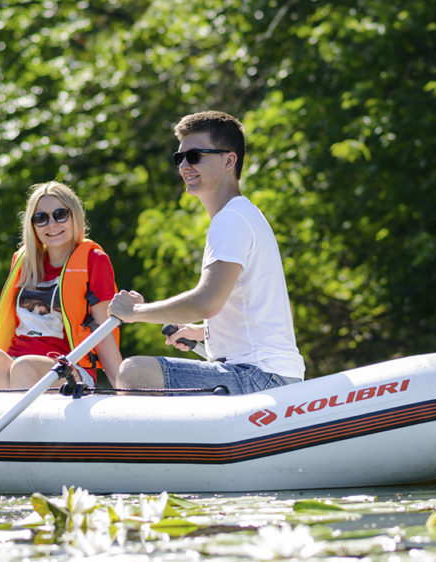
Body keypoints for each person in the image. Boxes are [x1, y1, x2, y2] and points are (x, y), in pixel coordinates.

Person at [107, 110, 304, 394]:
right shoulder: (243, 215)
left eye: (195, 155)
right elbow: (260, 312)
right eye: (180, 158)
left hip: (260, 379)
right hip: (273, 375)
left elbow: (206, 303)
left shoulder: (231, 219)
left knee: (135, 372)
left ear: (228, 160)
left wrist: (134, 311)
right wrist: (202, 333)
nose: (185, 165)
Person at [0, 181, 122, 389]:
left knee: (25, 368)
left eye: (60, 214)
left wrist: (123, 386)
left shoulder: (94, 260)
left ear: (74, 216)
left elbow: (103, 330)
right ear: (32, 225)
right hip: (17, 362)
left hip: (69, 369)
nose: (51, 224)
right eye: (41, 218)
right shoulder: (23, 261)